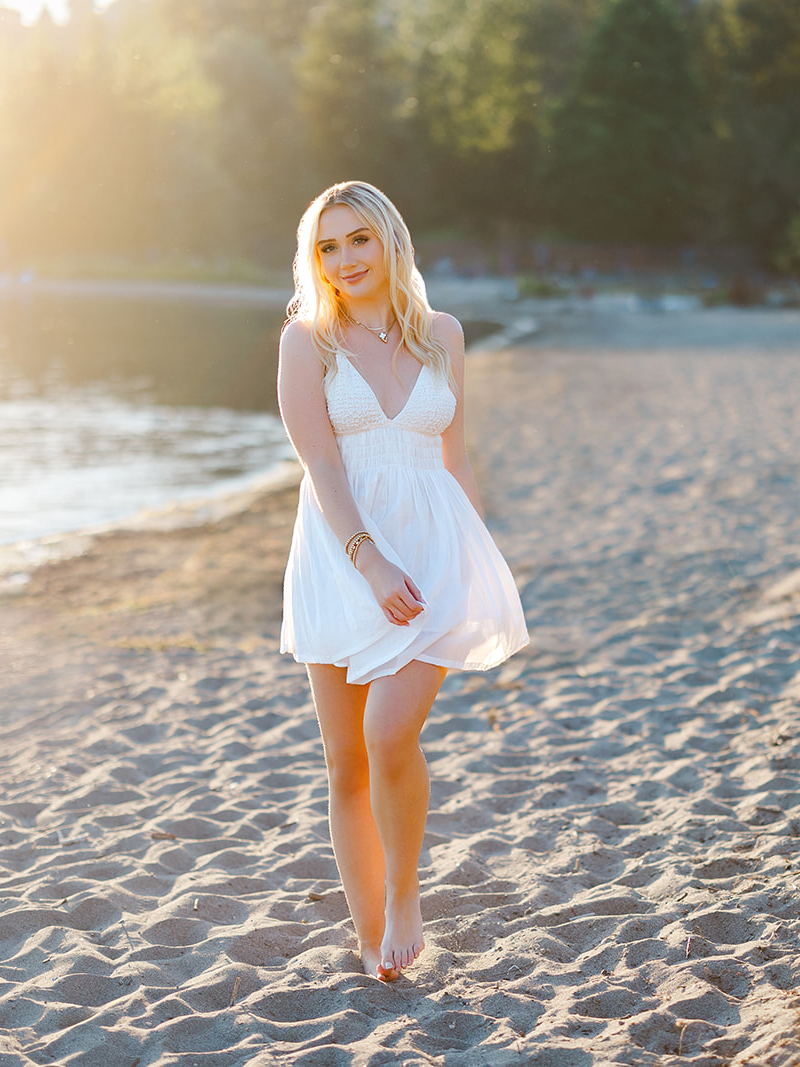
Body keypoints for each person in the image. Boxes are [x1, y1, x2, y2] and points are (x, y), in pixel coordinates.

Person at [277, 181, 529, 980]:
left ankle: (408, 895)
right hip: (340, 554)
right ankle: (367, 928)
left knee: (391, 732)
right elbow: (320, 462)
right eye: (328, 246)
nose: (345, 259)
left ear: (391, 242)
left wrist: (477, 560)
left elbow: (454, 461)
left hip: (432, 556)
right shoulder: (306, 341)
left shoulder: (443, 335)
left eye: (359, 240)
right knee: (347, 761)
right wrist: (367, 556)